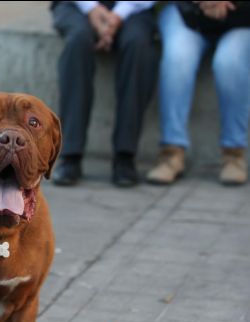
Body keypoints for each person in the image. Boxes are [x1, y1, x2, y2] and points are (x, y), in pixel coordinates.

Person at [50, 1, 159, 187]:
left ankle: (125, 155)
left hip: (134, 7)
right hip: (76, 6)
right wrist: (91, 8)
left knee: (138, 44)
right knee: (78, 39)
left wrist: (118, 15)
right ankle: (70, 153)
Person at [146, 1, 250, 186]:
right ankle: (171, 152)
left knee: (230, 63)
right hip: (185, 11)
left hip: (242, 17)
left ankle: (233, 154)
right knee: (178, 59)